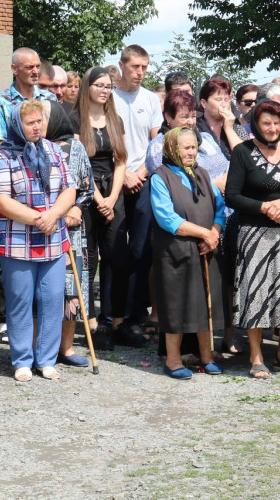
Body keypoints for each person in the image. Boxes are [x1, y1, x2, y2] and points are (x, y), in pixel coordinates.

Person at [0, 99, 77, 381]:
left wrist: (53, 215)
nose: (37, 126)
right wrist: (38, 218)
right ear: (18, 124)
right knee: (20, 301)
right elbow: (0, 198)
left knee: (52, 299)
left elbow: (69, 189)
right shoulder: (4, 155)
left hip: (52, 239)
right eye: (30, 122)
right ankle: (22, 360)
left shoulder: (53, 150)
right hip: (17, 241)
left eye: (40, 121)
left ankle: (46, 359)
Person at [226, 101, 280, 377]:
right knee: (257, 293)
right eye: (265, 123)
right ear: (256, 126)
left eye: (276, 123)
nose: (272, 129)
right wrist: (266, 208)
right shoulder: (242, 152)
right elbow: (232, 196)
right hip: (254, 234)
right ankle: (257, 356)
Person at [149, 126, 227, 379]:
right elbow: (166, 218)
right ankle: (173, 361)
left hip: (206, 250)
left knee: (206, 303)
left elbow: (219, 208)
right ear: (172, 148)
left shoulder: (203, 175)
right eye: (186, 147)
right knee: (176, 306)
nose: (191, 152)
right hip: (175, 253)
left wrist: (214, 232)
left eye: (194, 147)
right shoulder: (160, 177)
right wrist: (203, 233)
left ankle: (206, 357)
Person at [109, 45, 161, 346]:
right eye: (135, 67)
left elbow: (156, 144)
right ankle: (112, 317)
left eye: (144, 67)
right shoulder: (110, 99)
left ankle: (135, 315)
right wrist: (123, 174)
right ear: (122, 66)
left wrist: (139, 173)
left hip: (144, 179)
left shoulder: (151, 99)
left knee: (142, 250)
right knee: (116, 249)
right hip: (116, 179)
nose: (140, 73)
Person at [75, 66, 127, 350]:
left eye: (109, 86)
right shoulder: (75, 121)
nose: (105, 90)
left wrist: (112, 198)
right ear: (88, 87)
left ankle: (114, 319)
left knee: (117, 258)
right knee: (89, 259)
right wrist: (97, 198)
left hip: (112, 192)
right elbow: (79, 165)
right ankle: (91, 322)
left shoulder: (115, 119)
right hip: (86, 193)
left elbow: (121, 161)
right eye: (100, 85)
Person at [43, 103, 93, 368]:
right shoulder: (32, 147)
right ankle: (39, 347)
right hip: (40, 226)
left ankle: (67, 347)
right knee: (42, 290)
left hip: (71, 228)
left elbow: (87, 186)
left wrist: (76, 207)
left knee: (70, 287)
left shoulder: (76, 148)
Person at [198, 77, 247, 158]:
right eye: (218, 99)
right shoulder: (195, 127)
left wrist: (229, 129)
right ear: (204, 103)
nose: (224, 104)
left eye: (226, 100)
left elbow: (245, 156)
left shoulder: (236, 126)